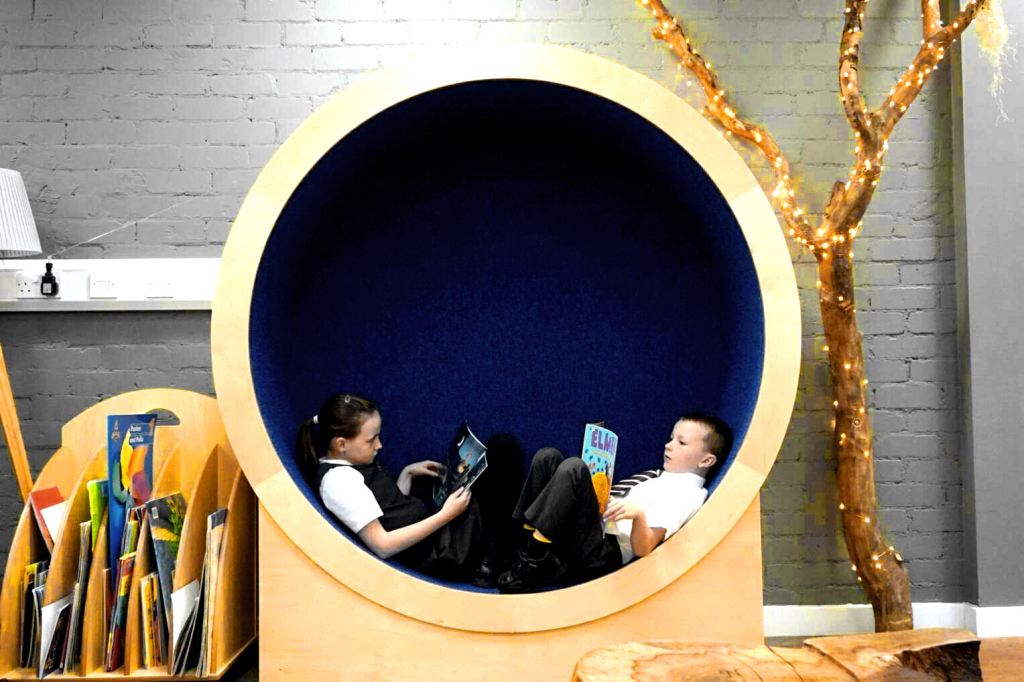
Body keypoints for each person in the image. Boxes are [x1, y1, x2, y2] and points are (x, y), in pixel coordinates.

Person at [296, 393, 522, 582]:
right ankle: (489, 565)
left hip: (435, 534)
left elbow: (388, 511)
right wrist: (446, 515)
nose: (379, 445)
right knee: (503, 458)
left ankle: (499, 554)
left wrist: (407, 474)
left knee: (498, 450)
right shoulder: (339, 482)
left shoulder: (352, 464)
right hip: (438, 555)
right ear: (341, 444)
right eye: (371, 440)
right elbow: (383, 545)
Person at [497, 413, 732, 593]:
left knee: (574, 469)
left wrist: (638, 515)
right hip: (598, 530)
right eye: (671, 438)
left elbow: (644, 548)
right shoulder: (660, 478)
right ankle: (519, 545)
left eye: (681, 442)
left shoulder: (686, 494)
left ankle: (530, 562)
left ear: (706, 460)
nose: (668, 445)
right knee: (548, 457)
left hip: (605, 552)